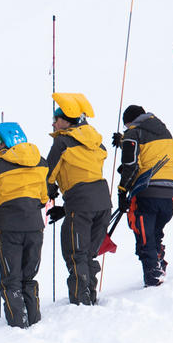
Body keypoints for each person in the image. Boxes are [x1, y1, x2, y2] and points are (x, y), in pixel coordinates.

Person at [0, 122, 48, 328]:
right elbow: (44, 197)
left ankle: (18, 323)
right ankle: (34, 320)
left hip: (9, 227)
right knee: (29, 275)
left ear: (0, 141)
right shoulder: (40, 161)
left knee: (11, 278)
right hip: (35, 225)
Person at [45, 93, 111, 306]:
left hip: (80, 203)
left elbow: (47, 175)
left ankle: (81, 303)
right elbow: (85, 175)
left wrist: (46, 194)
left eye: (56, 119)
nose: (54, 123)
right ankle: (90, 297)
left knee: (75, 254)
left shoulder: (62, 142)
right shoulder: (96, 143)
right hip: (103, 201)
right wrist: (65, 207)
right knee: (88, 254)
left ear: (67, 120)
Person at [112, 105, 173, 287]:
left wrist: (122, 190)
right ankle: (159, 265)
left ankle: (153, 276)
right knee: (155, 233)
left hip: (147, 191)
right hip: (169, 192)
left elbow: (132, 166)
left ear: (130, 122)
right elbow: (148, 150)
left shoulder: (133, 133)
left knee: (144, 235)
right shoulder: (164, 131)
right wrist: (124, 140)